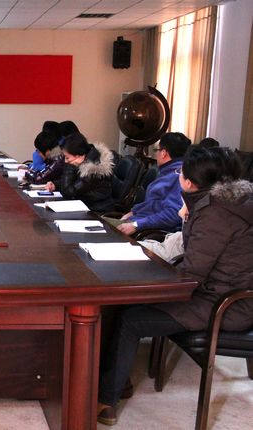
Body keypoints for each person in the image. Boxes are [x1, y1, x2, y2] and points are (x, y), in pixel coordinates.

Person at [97, 146, 253, 425]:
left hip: (224, 304)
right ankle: (119, 380)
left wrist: (148, 275)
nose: (178, 174)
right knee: (123, 303)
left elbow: (193, 274)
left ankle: (106, 400)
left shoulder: (215, 214)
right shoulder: (230, 203)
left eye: (181, 172)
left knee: (131, 319)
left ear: (190, 183)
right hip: (217, 292)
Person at [106, 132, 191, 235]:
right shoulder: (168, 172)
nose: (156, 154)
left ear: (163, 153)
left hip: (144, 229)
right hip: (137, 221)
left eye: (156, 150)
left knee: (96, 226)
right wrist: (134, 211)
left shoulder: (179, 177)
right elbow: (154, 204)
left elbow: (173, 214)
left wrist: (137, 225)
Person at [46, 132, 114, 212]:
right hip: (86, 206)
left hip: (96, 212)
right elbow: (75, 184)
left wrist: (69, 166)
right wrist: (56, 185)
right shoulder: (86, 160)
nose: (65, 161)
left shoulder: (93, 170)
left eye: (67, 158)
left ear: (79, 155)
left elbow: (68, 192)